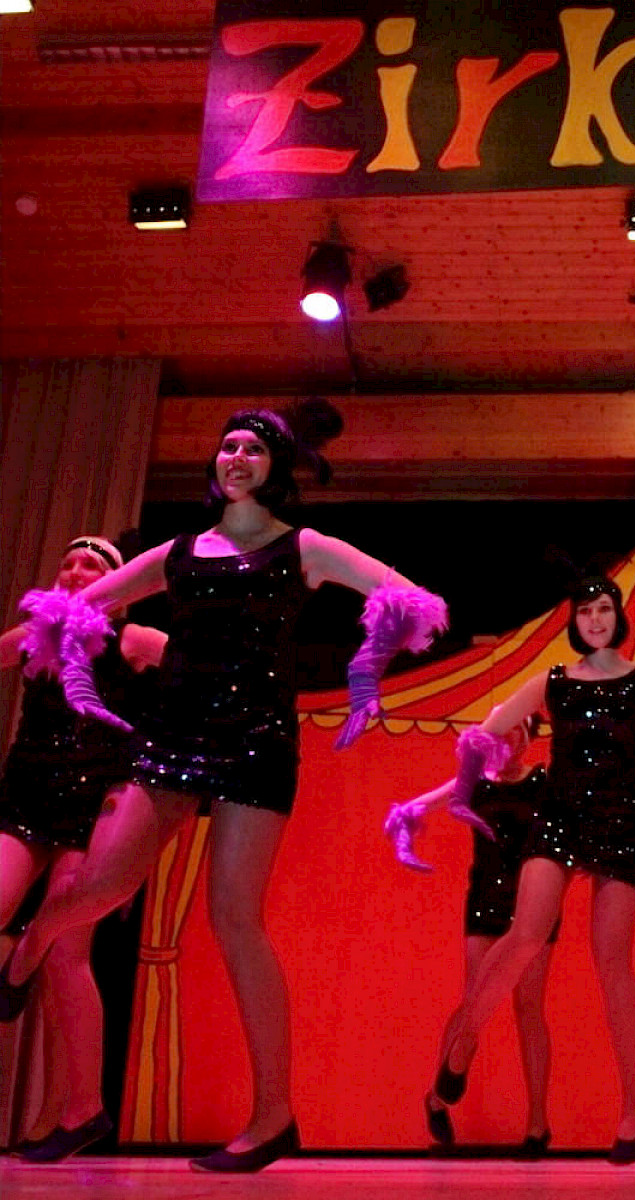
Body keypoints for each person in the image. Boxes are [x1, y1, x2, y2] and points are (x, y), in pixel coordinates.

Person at [0, 403, 447, 1173]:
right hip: (172, 738)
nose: (235, 455)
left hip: (255, 743)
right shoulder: (178, 553)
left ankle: (273, 1118)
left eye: (252, 447)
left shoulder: (304, 547)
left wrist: (376, 650)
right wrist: (46, 628)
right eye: (227, 445)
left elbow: (410, 597)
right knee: (101, 885)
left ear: (275, 466)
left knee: (235, 921)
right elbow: (79, 607)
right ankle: (32, 944)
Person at [426, 574, 635, 1164]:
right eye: (585, 612)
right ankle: (464, 1044)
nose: (595, 620)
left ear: (617, 616)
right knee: (524, 935)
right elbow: (487, 730)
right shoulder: (551, 682)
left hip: (621, 820)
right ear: (574, 622)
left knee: (612, 964)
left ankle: (633, 1111)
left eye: (603, 609)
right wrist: (472, 767)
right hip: (558, 815)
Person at [0, 536, 165, 1161]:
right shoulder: (34, 636)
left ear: (117, 585)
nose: (74, 571)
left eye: (90, 565)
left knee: (68, 956)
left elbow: (203, 670)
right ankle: (18, 960)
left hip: (94, 802)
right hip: (25, 794)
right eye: (66, 563)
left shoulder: (132, 639)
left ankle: (83, 1109)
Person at [386, 716, 557, 1156]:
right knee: (474, 1000)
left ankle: (538, 1125)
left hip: (533, 905)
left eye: (517, 730)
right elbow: (422, 804)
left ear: (529, 736)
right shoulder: (475, 780)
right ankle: (438, 1096)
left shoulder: (545, 782)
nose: (508, 739)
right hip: (485, 901)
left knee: (529, 1008)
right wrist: (404, 819)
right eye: (501, 732)